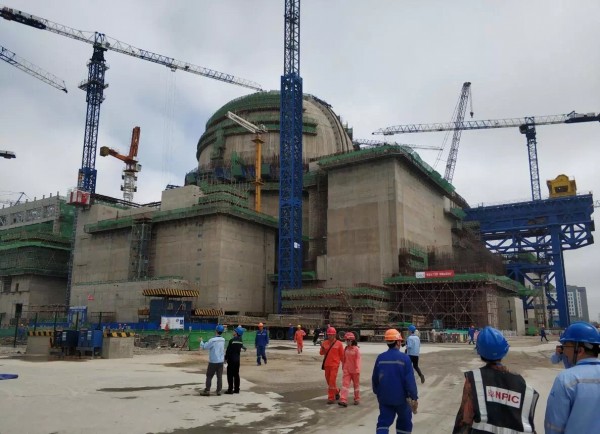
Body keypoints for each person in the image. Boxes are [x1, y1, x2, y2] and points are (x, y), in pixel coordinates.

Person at [452, 326, 539, 434]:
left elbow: (465, 419)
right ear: (505, 351)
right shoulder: (521, 383)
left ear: (480, 353)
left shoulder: (475, 379)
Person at [544, 321, 600, 434]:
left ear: (580, 350)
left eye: (566, 346)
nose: (564, 350)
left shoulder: (565, 380)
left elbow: (554, 427)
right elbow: (554, 360)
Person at [372, 328, 418, 434]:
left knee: (383, 423)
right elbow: (410, 381)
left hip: (384, 397)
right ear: (397, 342)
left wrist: (378, 392)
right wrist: (414, 397)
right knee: (404, 423)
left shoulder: (380, 358)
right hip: (402, 399)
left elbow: (375, 378)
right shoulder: (405, 358)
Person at [199, 324, 226, 396]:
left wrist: (201, 341)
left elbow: (205, 347)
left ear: (216, 331)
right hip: (220, 361)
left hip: (213, 361)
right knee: (219, 377)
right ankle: (219, 391)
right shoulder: (223, 340)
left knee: (209, 376)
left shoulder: (212, 340)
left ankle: (207, 390)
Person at [320, 326, 345, 404]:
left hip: (335, 365)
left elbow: (342, 355)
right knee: (329, 381)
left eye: (331, 334)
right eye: (329, 334)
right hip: (327, 365)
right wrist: (322, 348)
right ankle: (336, 391)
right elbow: (321, 353)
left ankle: (331, 398)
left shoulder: (339, 344)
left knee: (332, 381)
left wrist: (344, 364)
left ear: (334, 335)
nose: (330, 336)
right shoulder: (325, 343)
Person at [338, 332, 361, 407]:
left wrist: (357, 369)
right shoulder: (346, 349)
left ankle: (357, 398)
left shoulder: (356, 349)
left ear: (352, 340)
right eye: (346, 340)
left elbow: (358, 359)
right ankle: (343, 400)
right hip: (347, 370)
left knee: (356, 385)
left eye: (348, 340)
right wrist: (343, 367)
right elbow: (344, 359)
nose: (346, 342)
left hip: (355, 371)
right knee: (345, 385)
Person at [224, 326, 246, 394]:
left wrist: (225, 358)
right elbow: (242, 348)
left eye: (234, 331)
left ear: (237, 333)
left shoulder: (232, 340)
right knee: (236, 374)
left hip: (231, 360)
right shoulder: (240, 341)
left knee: (230, 375)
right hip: (237, 360)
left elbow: (228, 351)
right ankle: (237, 389)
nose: (233, 331)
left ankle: (230, 389)